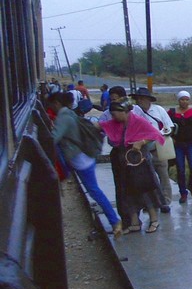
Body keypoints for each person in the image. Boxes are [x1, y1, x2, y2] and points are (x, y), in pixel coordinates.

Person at [47, 92, 123, 237]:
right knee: (93, 190)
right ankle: (114, 220)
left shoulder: (63, 117)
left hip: (80, 160)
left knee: (94, 190)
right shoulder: (69, 113)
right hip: (82, 156)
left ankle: (115, 221)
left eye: (51, 105)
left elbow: (52, 139)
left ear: (56, 103)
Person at [99, 102, 165, 234]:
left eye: (114, 114)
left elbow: (155, 134)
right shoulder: (115, 123)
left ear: (123, 112)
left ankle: (154, 220)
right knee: (127, 192)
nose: (113, 117)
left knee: (145, 190)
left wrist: (141, 142)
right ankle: (135, 222)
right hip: (123, 162)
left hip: (139, 161)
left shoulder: (138, 121)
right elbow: (101, 126)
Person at [132, 87, 175, 213]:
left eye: (142, 98)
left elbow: (170, 126)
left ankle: (165, 201)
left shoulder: (158, 110)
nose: (139, 101)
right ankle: (150, 203)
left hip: (157, 148)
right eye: (138, 99)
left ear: (148, 99)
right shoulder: (133, 112)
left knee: (163, 175)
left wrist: (160, 134)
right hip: (141, 149)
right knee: (146, 178)